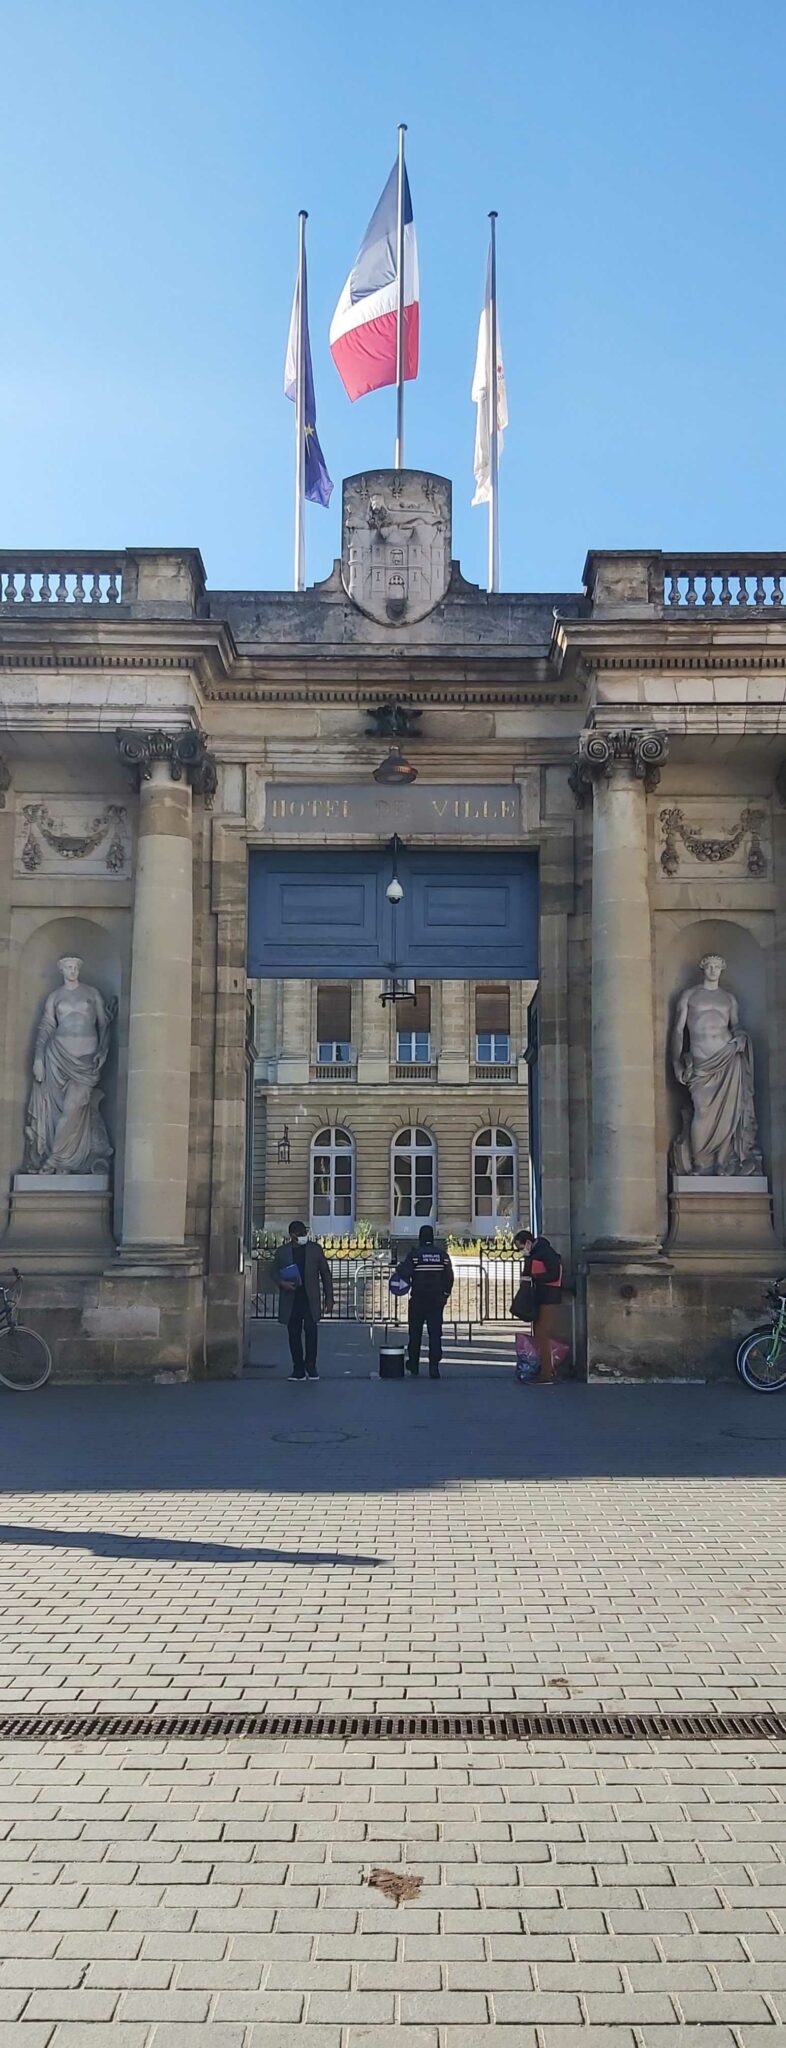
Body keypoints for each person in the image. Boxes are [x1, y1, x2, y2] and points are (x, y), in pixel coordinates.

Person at [273, 1222, 334, 1381]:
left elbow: (325, 1274)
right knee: (293, 1334)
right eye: (300, 1234)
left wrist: (329, 1298)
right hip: (291, 1298)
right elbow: (273, 1271)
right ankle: (298, 1368)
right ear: (292, 1235)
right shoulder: (282, 1252)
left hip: (310, 1298)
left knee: (311, 1332)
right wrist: (281, 1283)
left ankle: (311, 1366)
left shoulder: (315, 1249)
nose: (303, 1236)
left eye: (304, 1233)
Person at [394, 1224, 454, 1380]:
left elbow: (404, 1273)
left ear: (420, 1237)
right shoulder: (442, 1256)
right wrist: (445, 1294)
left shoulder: (415, 1255)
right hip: (436, 1300)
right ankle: (434, 1366)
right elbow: (449, 1277)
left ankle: (413, 1364)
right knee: (435, 1334)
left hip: (418, 1299)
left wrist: (398, 1268)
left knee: (415, 1334)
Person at [513, 1228, 563, 1382]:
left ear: (528, 1243)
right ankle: (544, 1368)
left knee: (543, 1333)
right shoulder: (535, 1254)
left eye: (521, 1247)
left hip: (549, 1296)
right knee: (538, 1332)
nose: (521, 1251)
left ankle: (547, 1372)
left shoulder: (545, 1252)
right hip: (541, 1296)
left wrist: (535, 1277)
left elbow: (554, 1273)